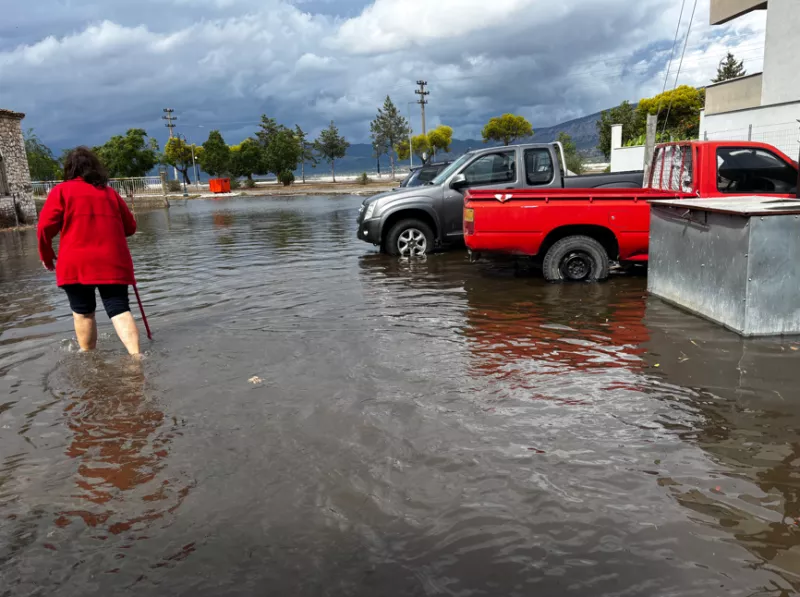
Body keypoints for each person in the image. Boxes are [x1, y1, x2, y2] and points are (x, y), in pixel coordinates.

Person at [37, 147, 141, 356]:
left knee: (83, 313)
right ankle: (137, 357)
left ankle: (88, 358)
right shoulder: (110, 193)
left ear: (70, 169)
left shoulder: (61, 191)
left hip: (75, 263)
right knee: (119, 309)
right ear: (95, 168)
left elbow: (44, 228)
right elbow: (130, 228)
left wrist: (47, 257)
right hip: (112, 261)